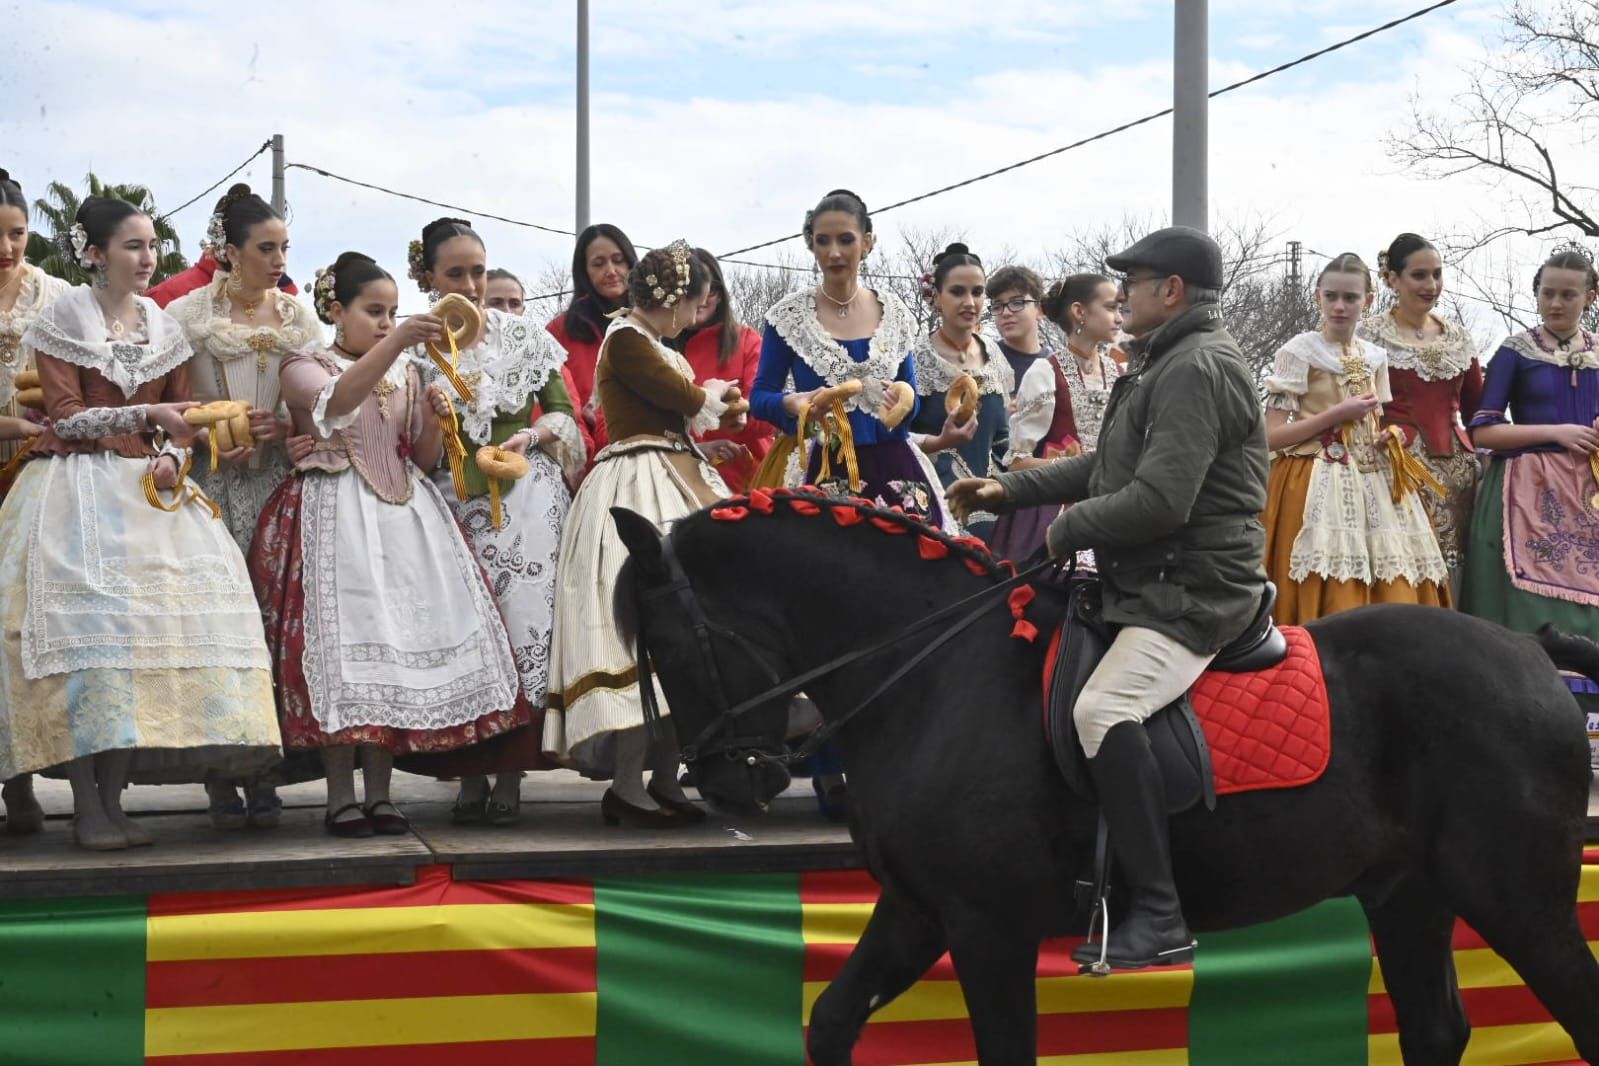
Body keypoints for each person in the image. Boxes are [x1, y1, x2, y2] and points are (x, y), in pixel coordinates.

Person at [948, 225, 1269, 969]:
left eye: (1132, 281)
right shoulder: (1164, 361)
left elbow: (1157, 500)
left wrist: (1061, 535)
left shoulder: (1194, 367)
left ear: (1171, 292)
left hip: (1193, 587)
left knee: (1103, 709)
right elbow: (1108, 464)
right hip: (1149, 577)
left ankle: (1158, 912)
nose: (1119, 294)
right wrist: (1008, 487)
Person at [0, 196, 281, 850]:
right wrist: (149, 422)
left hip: (148, 491)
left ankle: (114, 802)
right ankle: (85, 808)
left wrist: (173, 457)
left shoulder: (161, 324)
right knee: (89, 649)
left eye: (151, 245)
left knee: (138, 653)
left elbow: (179, 416)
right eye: (132, 246)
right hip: (74, 486)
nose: (147, 257)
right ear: (94, 254)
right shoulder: (63, 317)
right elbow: (65, 419)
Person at [249, 251, 527, 836]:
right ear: (335, 309)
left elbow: (420, 458)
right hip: (332, 511)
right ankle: (337, 797)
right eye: (373, 311)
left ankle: (380, 794)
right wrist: (398, 342)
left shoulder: (410, 370)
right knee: (344, 650)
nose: (384, 321)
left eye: (392, 311)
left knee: (392, 652)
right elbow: (339, 402)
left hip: (404, 514)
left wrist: (432, 420)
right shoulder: (304, 362)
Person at [545, 240, 745, 827]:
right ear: (673, 300)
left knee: (688, 631)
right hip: (634, 481)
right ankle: (628, 785)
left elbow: (684, 411)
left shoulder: (652, 344)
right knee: (637, 630)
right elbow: (681, 398)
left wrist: (710, 419)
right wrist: (709, 400)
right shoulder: (625, 340)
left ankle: (664, 778)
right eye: (693, 301)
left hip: (675, 470)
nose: (697, 313)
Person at [405, 218, 583, 825]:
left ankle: (510, 773)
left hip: (527, 499)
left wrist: (529, 439)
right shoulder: (411, 346)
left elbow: (563, 412)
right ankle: (469, 775)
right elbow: (412, 445)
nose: (473, 285)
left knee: (524, 628)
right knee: (467, 634)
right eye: (456, 273)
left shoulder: (525, 336)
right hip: (449, 502)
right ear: (428, 276)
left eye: (478, 271)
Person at [162, 185, 323, 829]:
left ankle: (269, 773)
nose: (279, 258)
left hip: (279, 489)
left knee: (275, 627)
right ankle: (219, 774)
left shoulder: (297, 318)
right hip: (211, 490)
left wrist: (285, 426)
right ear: (229, 252)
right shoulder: (187, 315)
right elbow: (167, 402)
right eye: (266, 248)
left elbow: (317, 402)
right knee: (220, 630)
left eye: (284, 246)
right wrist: (206, 437)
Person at [1261, 253, 1449, 622]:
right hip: (1312, 477)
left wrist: (1388, 436)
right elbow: (1270, 437)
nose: (1340, 306)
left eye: (1350, 298)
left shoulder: (1375, 356)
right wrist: (1335, 415)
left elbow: (1376, 422)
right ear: (1318, 297)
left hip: (1374, 477)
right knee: (1325, 573)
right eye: (1331, 296)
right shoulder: (1298, 352)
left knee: (1395, 575)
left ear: (1369, 300)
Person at [751, 189, 953, 529]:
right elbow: (759, 397)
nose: (834, 252)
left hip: (897, 469)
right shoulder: (786, 318)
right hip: (821, 468)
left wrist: (902, 401)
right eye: (822, 241)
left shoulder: (897, 315)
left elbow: (912, 399)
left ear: (867, 243)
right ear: (811, 244)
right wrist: (792, 403)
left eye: (846, 240)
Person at [1460, 248, 1599, 742]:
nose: (1555, 303)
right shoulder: (1515, 351)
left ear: (1590, 296)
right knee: (1525, 609)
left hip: (1589, 494)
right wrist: (1558, 431)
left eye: (1568, 293)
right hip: (1525, 490)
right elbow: (1484, 432)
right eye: (1547, 292)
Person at [1357, 234, 1483, 590]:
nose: (1431, 285)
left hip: (1458, 476)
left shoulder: (1458, 338)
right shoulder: (1368, 335)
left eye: (1437, 274)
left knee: (1460, 567)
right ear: (1392, 279)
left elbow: (1479, 412)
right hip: (1394, 470)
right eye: (1419, 275)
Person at [0, 168, 67, 835]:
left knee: (23, 630)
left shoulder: (59, 296)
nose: (7, 248)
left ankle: (24, 779)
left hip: (39, 479)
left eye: (16, 233)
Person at [991, 273, 1124, 561]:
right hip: (1053, 510)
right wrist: (1068, 468)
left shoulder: (1119, 374)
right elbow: (1016, 462)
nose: (1119, 318)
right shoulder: (1045, 372)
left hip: (1111, 505)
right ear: (1079, 312)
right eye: (1111, 308)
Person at [908, 243, 1010, 540]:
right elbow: (896, 435)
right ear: (937, 297)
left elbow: (1004, 440)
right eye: (957, 292)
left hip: (995, 498)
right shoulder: (916, 359)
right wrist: (940, 441)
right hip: (932, 502)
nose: (970, 302)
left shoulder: (994, 354)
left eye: (977, 292)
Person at [668, 248, 776, 494]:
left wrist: (733, 414)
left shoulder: (747, 341)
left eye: (710, 289)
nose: (702, 298)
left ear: (721, 294)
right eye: (690, 288)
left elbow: (769, 415)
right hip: (678, 484)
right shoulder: (655, 348)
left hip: (747, 486)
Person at [485, 266, 596, 476]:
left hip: (527, 469)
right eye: (496, 302)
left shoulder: (540, 354)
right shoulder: (455, 353)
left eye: (514, 303)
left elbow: (567, 414)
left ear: (523, 310)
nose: (507, 312)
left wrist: (531, 436)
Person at [546, 223, 638, 449]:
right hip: (589, 462)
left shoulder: (656, 323)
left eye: (618, 260)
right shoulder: (558, 332)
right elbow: (554, 405)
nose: (611, 271)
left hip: (651, 458)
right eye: (598, 263)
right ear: (584, 271)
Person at [986, 263, 1051, 390]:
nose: (1005, 313)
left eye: (1016, 303)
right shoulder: (983, 363)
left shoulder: (1059, 368)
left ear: (1040, 310)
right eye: (997, 306)